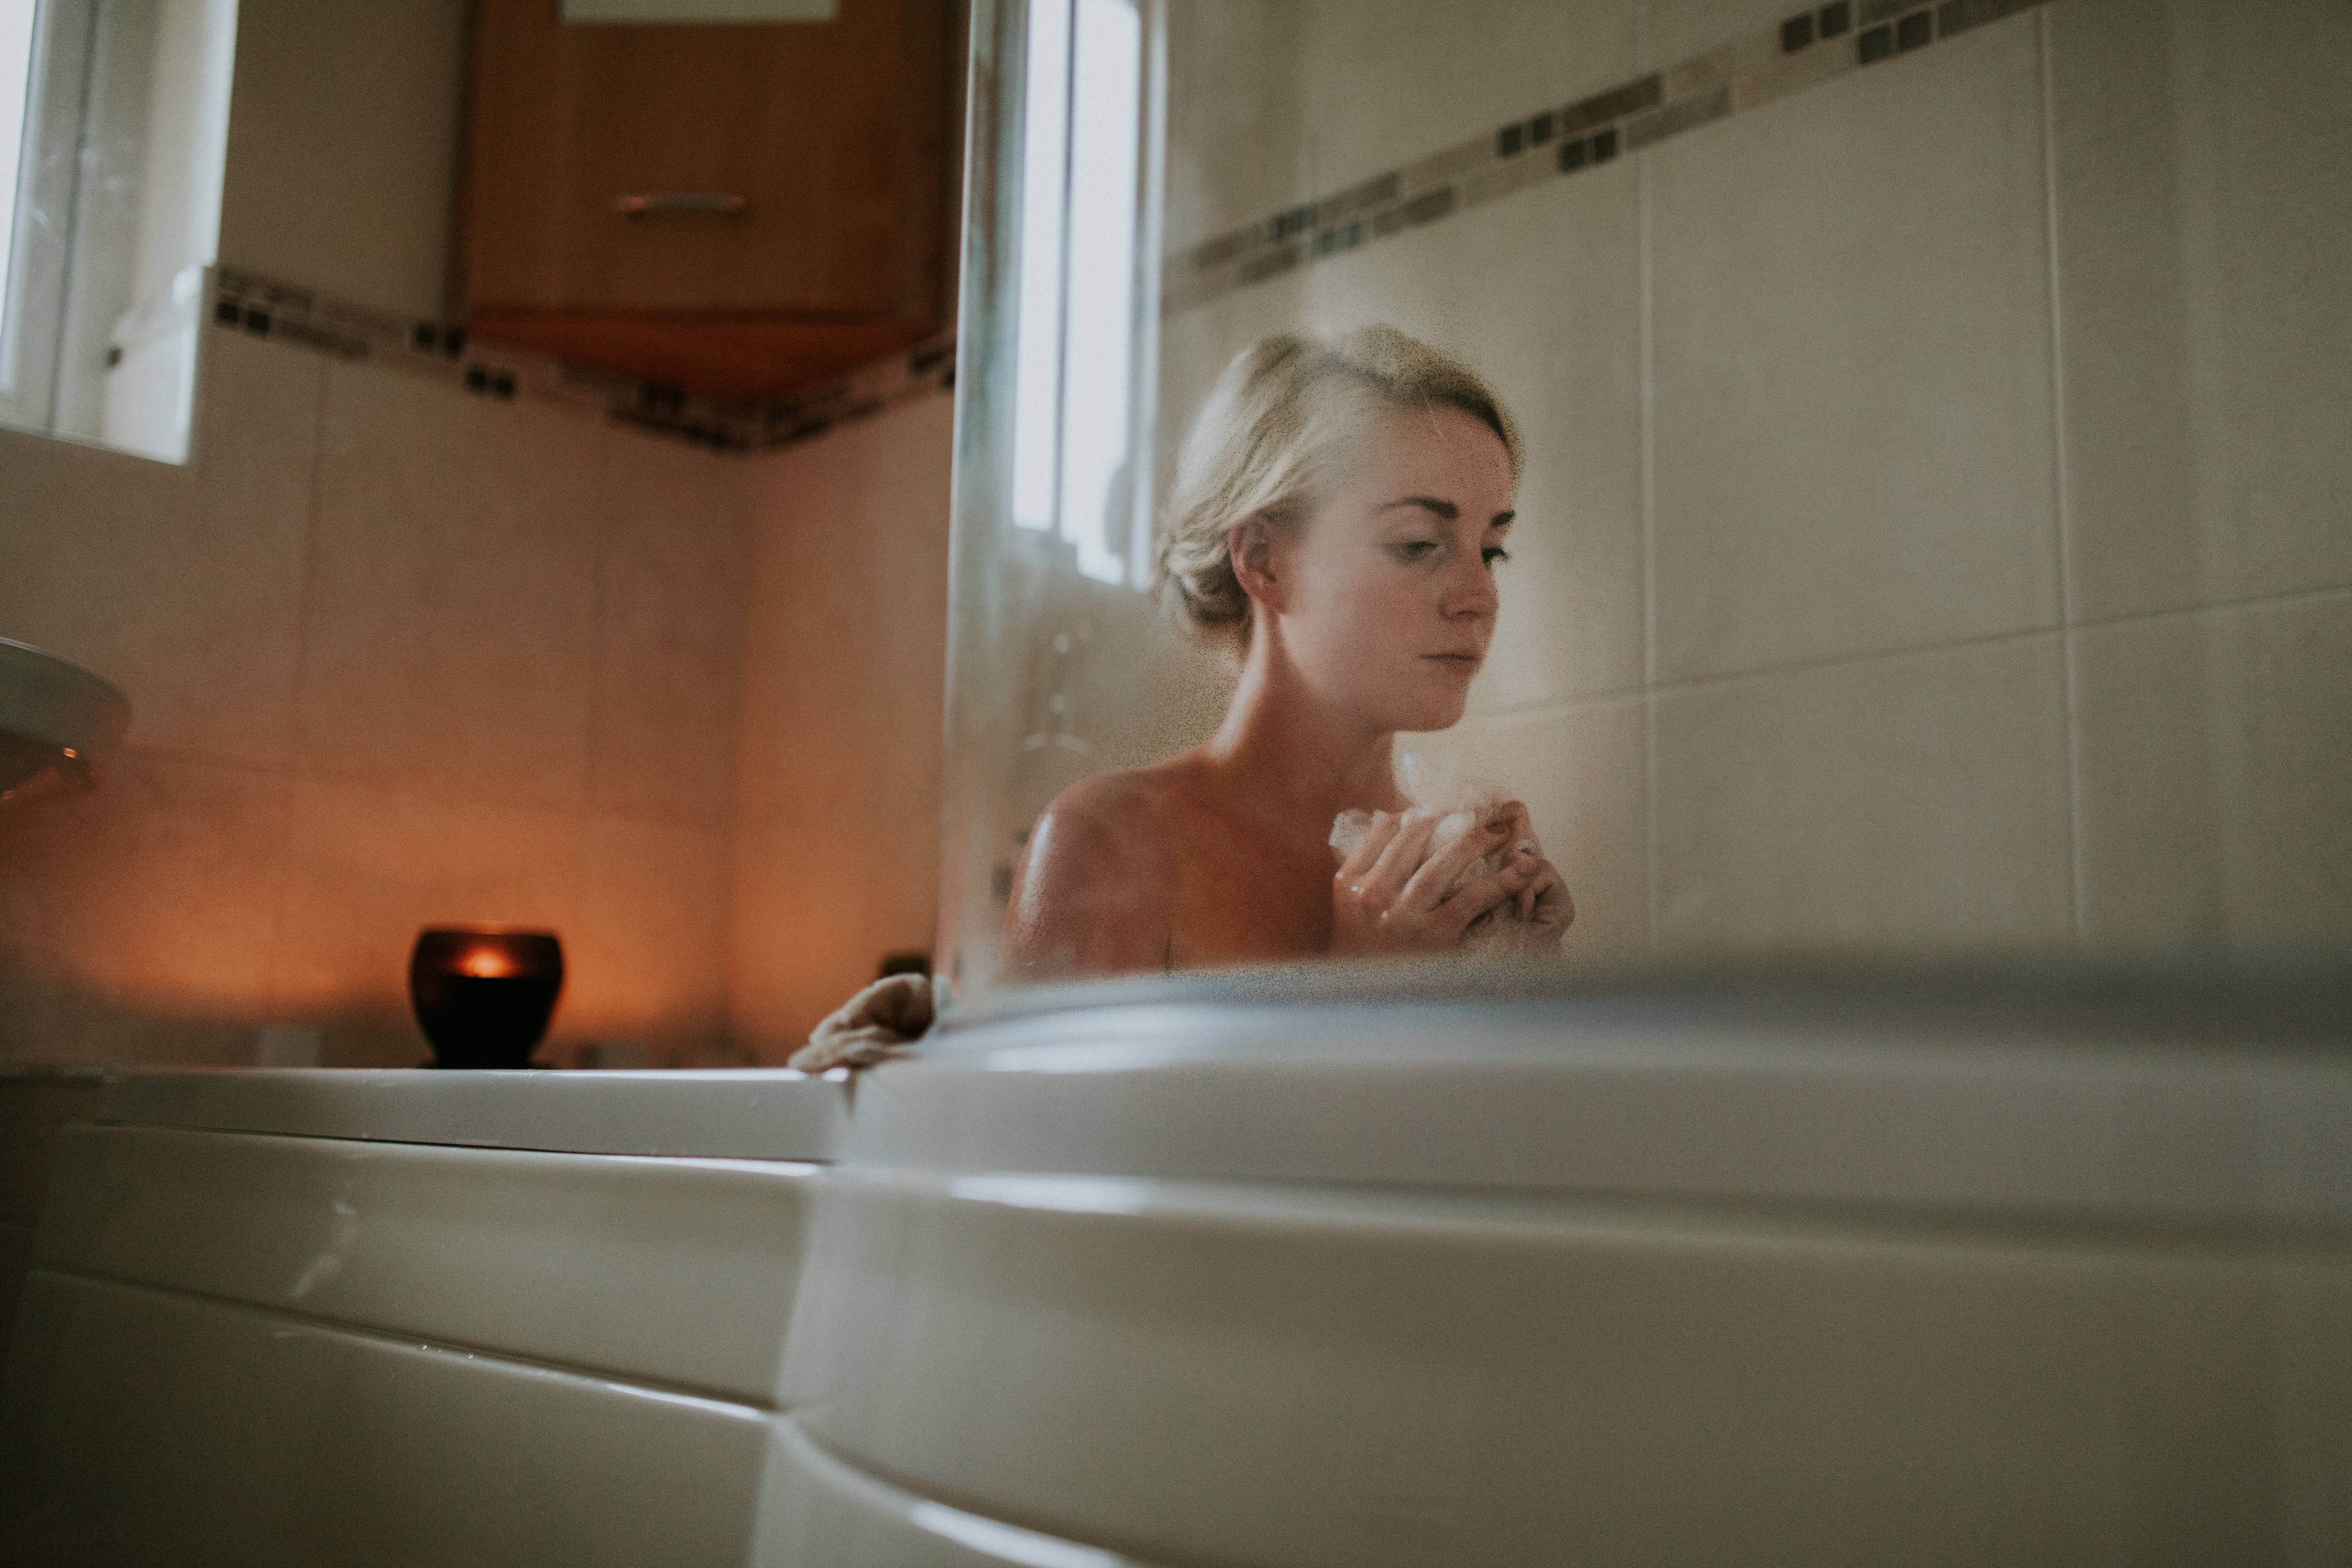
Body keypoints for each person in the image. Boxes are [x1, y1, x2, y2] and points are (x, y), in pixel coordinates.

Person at [1003, 325, 1572, 980]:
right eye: (1417, 544)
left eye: (1490, 550)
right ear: (1263, 561)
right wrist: (1364, 999)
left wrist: (1528, 982)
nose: (1481, 597)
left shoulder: (1452, 873)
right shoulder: (1109, 846)